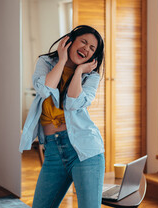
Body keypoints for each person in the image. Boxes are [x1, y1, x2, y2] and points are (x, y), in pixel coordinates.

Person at [19, 25, 105, 208]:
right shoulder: (46, 62)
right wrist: (62, 59)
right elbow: (44, 89)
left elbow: (73, 102)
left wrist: (79, 71)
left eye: (92, 48)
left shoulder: (91, 77)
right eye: (84, 42)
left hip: (85, 151)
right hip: (53, 152)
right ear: (70, 40)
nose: (86, 49)